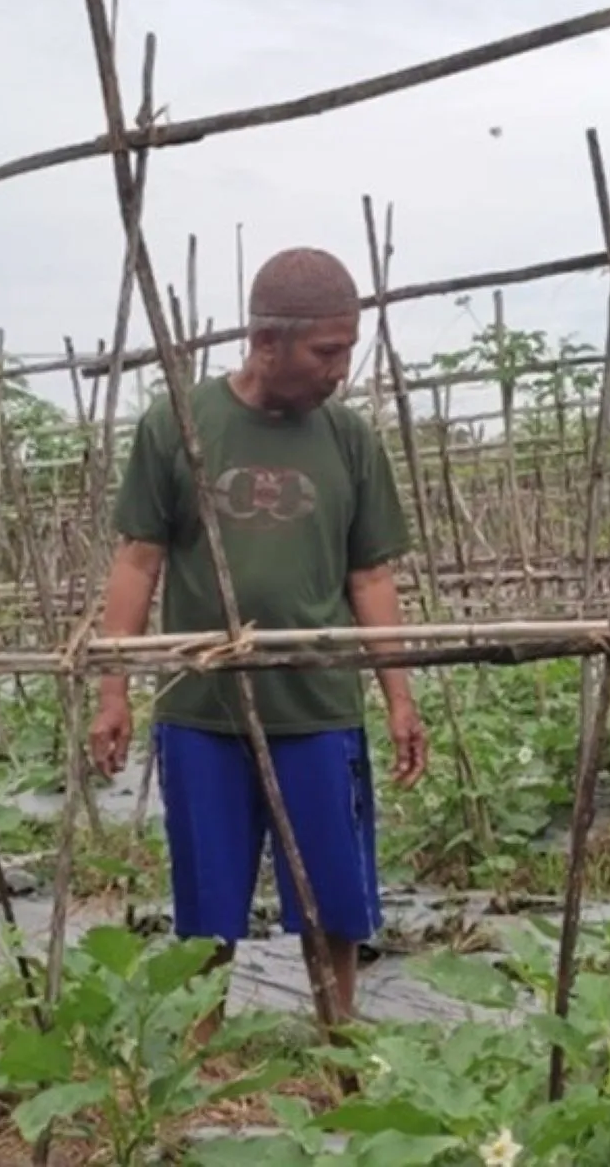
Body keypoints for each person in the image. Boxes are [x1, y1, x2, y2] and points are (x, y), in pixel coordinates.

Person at [87, 245, 428, 1029]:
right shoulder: (182, 425)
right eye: (326, 351)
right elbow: (137, 561)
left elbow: (370, 577)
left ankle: (337, 1038)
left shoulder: (347, 439)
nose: (340, 369)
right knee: (208, 903)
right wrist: (113, 690)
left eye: (347, 349)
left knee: (334, 899)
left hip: (316, 708)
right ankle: (201, 1062)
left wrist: (399, 695)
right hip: (202, 712)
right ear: (266, 341)